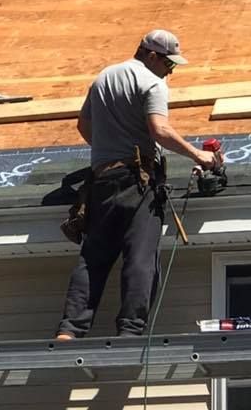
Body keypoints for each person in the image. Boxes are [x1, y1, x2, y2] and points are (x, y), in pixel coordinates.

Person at [56, 29, 220, 339]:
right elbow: (159, 130)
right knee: (141, 256)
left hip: (102, 181)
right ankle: (131, 331)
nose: (170, 71)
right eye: (168, 63)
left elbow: (83, 125)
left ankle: (70, 329)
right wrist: (198, 155)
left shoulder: (104, 77)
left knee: (94, 256)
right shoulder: (152, 82)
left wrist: (108, 152)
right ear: (151, 55)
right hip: (138, 181)